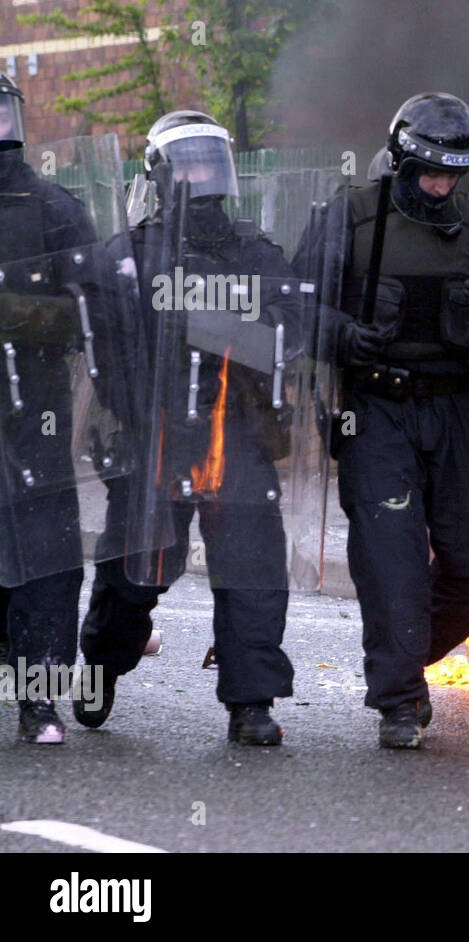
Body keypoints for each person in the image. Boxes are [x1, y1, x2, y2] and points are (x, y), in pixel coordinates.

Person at [76, 110, 299, 741]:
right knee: (133, 575)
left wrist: (226, 321)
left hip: (239, 438)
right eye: (189, 164)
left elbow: (294, 330)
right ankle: (101, 667)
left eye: (211, 163)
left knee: (253, 570)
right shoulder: (128, 258)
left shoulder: (257, 253)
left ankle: (251, 702)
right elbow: (105, 353)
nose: (202, 178)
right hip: (156, 440)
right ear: (162, 173)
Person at [314, 93, 469, 748]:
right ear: (400, 161)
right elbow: (291, 302)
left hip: (457, 411)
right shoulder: (350, 217)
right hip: (376, 409)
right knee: (391, 558)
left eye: (453, 173)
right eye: (429, 171)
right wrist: (341, 334)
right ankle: (399, 699)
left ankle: (402, 655)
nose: (440, 184)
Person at [0, 73, 102, 743]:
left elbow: (92, 311)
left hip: (32, 408)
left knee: (45, 555)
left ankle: (39, 697)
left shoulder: (54, 209)